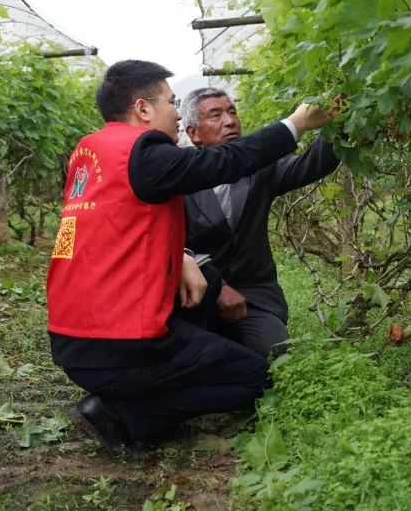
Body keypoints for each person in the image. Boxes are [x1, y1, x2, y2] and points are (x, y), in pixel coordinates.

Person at [46, 60, 332, 456]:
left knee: (232, 340)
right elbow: (225, 162)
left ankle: (127, 397)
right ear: (143, 109)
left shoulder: (91, 153)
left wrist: (180, 256)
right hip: (120, 343)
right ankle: (124, 412)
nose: (176, 112)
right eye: (171, 101)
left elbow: (117, 230)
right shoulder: (144, 152)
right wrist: (295, 124)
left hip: (70, 335)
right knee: (255, 377)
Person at [179, 87, 340, 358]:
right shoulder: (178, 175)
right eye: (215, 115)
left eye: (232, 112)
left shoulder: (258, 165)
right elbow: (166, 244)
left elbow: (311, 164)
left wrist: (342, 121)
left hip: (255, 296)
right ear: (194, 133)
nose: (229, 121)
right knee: (197, 362)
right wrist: (217, 288)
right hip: (195, 296)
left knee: (275, 356)